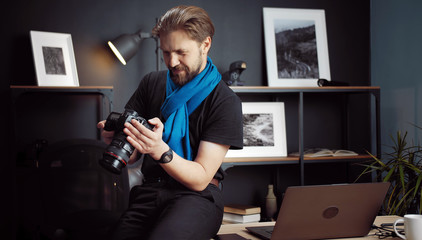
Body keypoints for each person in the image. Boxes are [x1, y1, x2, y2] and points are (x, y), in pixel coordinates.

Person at [97, 5, 243, 240]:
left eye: (180, 52)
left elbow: (200, 177)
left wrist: (159, 150)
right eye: (166, 52)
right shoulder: (151, 83)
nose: (172, 61)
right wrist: (115, 139)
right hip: (150, 192)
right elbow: (132, 155)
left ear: (205, 45)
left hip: (198, 197)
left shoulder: (225, 101)